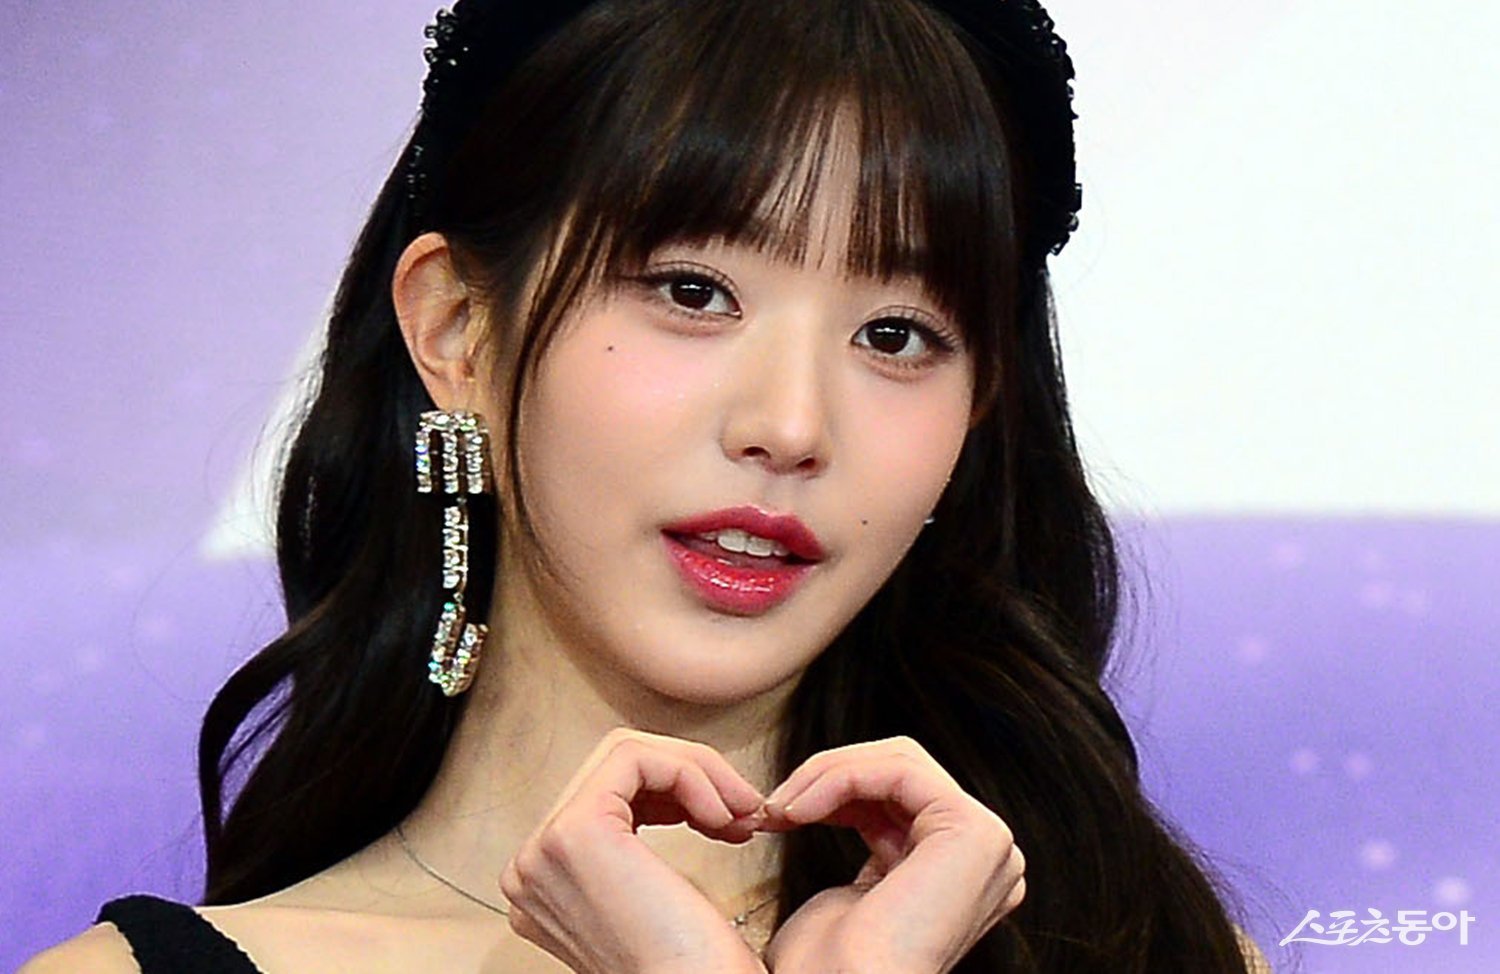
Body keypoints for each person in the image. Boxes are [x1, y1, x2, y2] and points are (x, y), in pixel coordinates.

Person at [25, 0, 1272, 971]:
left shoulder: (1157, 953)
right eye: (693, 291)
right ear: (458, 328)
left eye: (895, 334)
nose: (790, 426)